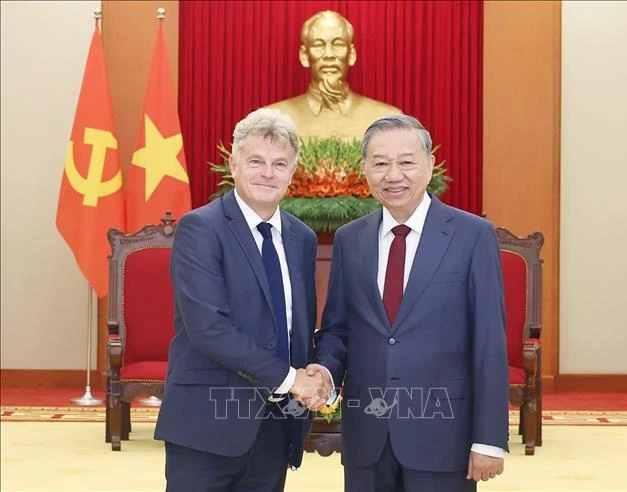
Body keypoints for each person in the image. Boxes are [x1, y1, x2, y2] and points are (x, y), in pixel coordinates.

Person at [307, 115, 509, 491]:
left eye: (406, 162)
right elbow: (339, 328)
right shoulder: (351, 240)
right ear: (365, 170)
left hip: (444, 434)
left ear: (430, 166)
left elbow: (489, 344)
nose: (393, 175)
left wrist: (489, 438)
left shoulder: (471, 236)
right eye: (380, 163)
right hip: (367, 434)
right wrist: (326, 371)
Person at [154, 108, 331, 492]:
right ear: (233, 165)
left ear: (292, 172)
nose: (268, 172)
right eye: (256, 161)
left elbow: (294, 326)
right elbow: (209, 329)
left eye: (279, 163)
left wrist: (318, 373)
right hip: (207, 425)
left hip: (275, 426)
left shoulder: (301, 238)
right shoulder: (201, 228)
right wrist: (291, 380)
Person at [267, 10, 401, 141]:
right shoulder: (271, 121)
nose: (329, 55)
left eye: (338, 44)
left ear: (351, 54)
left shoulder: (386, 119)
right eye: (318, 45)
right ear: (304, 56)